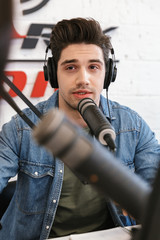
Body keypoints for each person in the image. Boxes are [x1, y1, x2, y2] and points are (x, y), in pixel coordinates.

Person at [0, 17, 160, 240]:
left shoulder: (132, 126)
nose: (83, 79)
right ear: (53, 74)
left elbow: (153, 189)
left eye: (93, 67)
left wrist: (140, 202)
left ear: (108, 74)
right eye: (71, 67)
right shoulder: (20, 129)